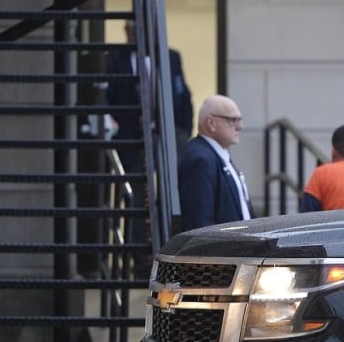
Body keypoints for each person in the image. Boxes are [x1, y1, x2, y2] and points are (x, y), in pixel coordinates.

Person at [105, 19, 193, 160]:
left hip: (167, 131)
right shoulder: (114, 59)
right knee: (133, 176)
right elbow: (108, 94)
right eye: (127, 30)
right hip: (129, 133)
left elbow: (183, 94)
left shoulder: (171, 58)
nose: (130, 35)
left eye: (134, 31)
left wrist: (185, 130)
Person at [178, 95, 254, 231]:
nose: (240, 127)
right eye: (232, 120)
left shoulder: (216, 154)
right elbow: (200, 226)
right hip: (221, 250)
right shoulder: (200, 159)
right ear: (211, 123)